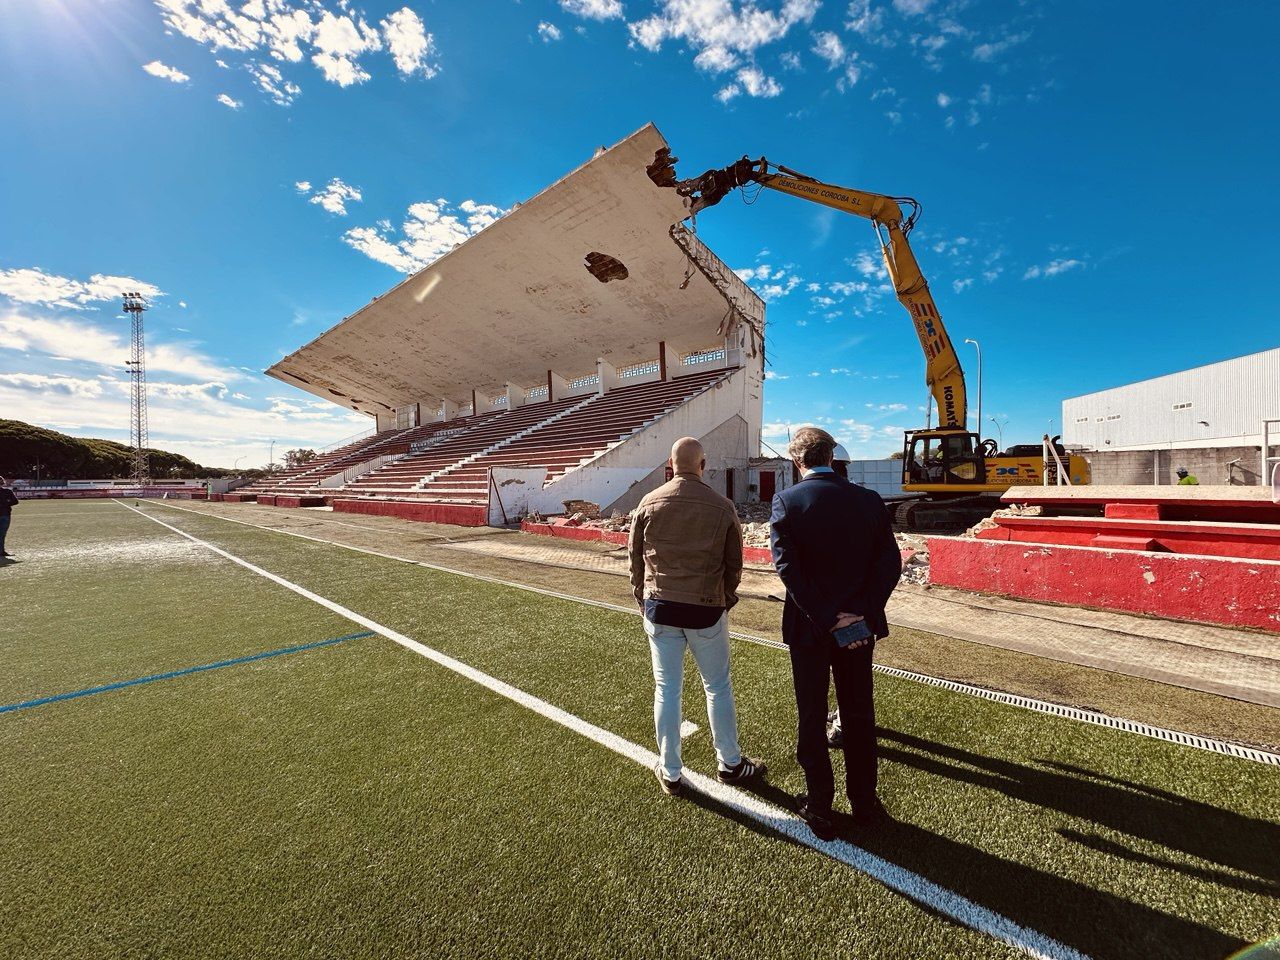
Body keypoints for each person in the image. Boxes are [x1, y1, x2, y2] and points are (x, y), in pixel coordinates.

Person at [770, 427, 902, 840]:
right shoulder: (867, 500)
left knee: (812, 714)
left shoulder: (788, 500)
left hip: (811, 629)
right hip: (858, 630)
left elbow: (788, 569)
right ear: (832, 456)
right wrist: (858, 615)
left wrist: (828, 616)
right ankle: (865, 802)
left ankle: (820, 804)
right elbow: (890, 564)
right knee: (859, 713)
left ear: (797, 462)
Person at [628, 437, 766, 797]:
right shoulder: (722, 506)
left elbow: (635, 558)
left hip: (660, 608)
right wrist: (725, 597)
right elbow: (735, 562)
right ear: (703, 465)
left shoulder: (648, 502)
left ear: (670, 465)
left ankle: (671, 770)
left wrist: (642, 597)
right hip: (706, 609)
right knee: (717, 687)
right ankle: (730, 763)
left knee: (667, 689)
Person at [0, 477, 18, 559]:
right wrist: (6, 503)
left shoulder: (7, 492)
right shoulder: (7, 492)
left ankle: (1, 551)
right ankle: (1, 551)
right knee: (2, 534)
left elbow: (15, 501)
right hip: (5, 515)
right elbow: (15, 501)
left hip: (5, 515)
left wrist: (6, 503)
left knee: (2, 534)